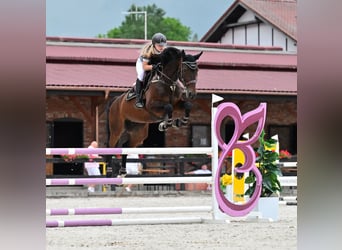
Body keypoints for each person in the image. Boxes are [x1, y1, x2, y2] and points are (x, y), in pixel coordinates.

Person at [135, 32, 167, 108]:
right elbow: (145, 67)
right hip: (143, 64)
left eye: (163, 45)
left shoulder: (164, 52)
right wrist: (153, 67)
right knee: (141, 75)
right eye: (159, 45)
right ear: (154, 44)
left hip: (154, 64)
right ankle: (138, 99)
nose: (161, 47)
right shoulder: (148, 53)